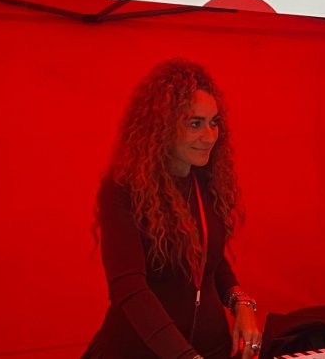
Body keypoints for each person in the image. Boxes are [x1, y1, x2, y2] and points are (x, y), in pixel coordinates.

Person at [84, 59, 261, 359]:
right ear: (162, 127)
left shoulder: (206, 180)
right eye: (195, 124)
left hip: (210, 349)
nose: (210, 136)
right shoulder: (124, 189)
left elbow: (209, 261)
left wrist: (240, 302)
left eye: (214, 122)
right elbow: (129, 288)